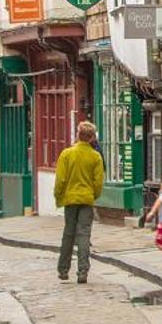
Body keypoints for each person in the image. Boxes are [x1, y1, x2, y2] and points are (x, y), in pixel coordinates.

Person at [54, 120, 104, 284]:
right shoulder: (95, 157)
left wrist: (58, 196)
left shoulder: (67, 154)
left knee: (68, 233)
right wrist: (93, 195)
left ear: (78, 135)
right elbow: (98, 182)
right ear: (91, 138)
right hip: (87, 199)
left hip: (70, 198)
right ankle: (83, 271)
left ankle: (63, 269)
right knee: (84, 234)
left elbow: (60, 179)